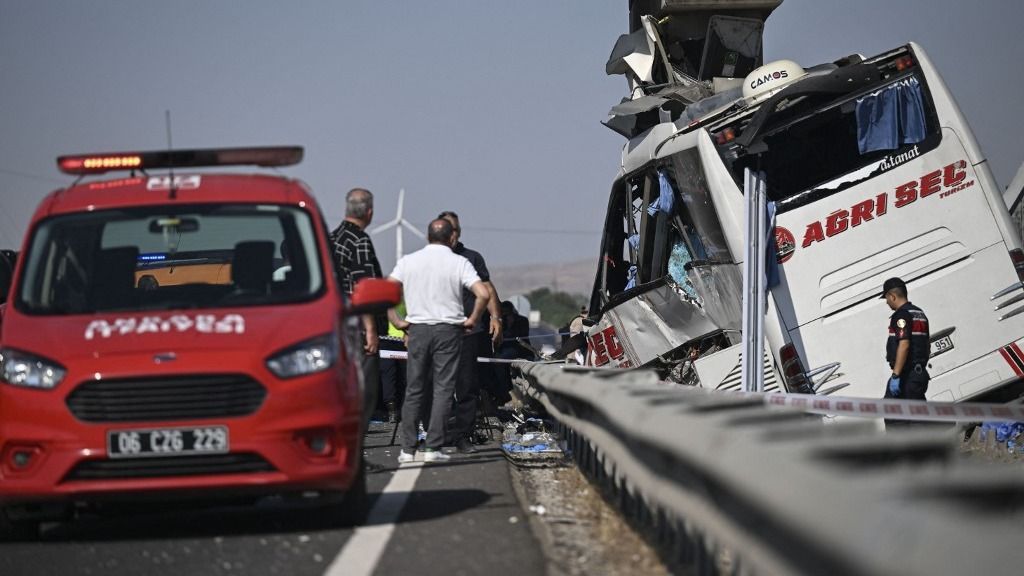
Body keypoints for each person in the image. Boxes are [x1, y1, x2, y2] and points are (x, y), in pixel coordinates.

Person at [388, 218, 490, 463]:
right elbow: (483, 293)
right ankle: (434, 447)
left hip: (418, 329)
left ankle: (408, 449)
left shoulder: (408, 261)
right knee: (444, 388)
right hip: (448, 330)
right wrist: (472, 319)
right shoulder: (459, 262)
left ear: (427, 236)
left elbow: (386, 292)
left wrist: (399, 321)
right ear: (451, 238)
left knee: (415, 389)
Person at [438, 211, 503, 454]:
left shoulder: (472, 258)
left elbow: (487, 288)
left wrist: (496, 318)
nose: (450, 235)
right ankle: (440, 432)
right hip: (439, 331)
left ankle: (463, 435)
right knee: (439, 385)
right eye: (446, 230)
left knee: (467, 386)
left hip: (468, 331)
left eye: (453, 230)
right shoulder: (430, 259)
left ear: (459, 232)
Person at [329, 188, 384, 433]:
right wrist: (371, 329)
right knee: (364, 390)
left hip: (335, 324)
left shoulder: (331, 239)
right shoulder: (360, 241)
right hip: (358, 327)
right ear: (369, 212)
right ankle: (356, 449)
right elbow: (364, 288)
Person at [881, 277, 930, 403]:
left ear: (892, 296)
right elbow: (926, 344)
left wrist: (896, 375)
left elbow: (904, 344)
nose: (886, 302)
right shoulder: (919, 312)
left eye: (886, 298)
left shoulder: (901, 316)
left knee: (897, 418)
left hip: (906, 376)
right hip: (918, 374)